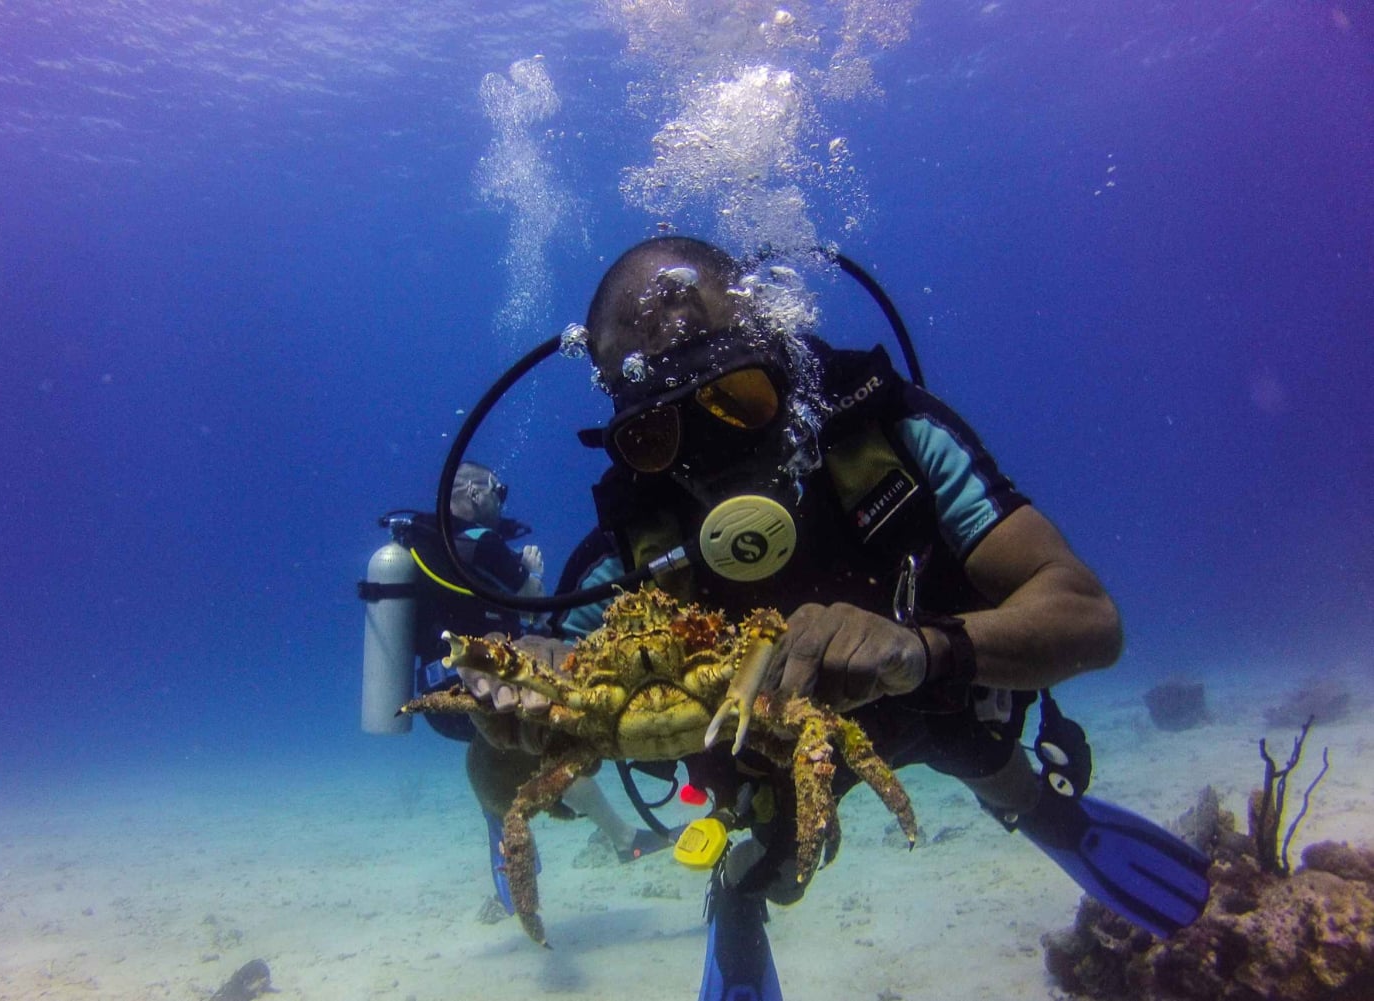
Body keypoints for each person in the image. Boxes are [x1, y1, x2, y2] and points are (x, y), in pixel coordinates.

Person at [459, 237, 1211, 997]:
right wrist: (509, 717)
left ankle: (1039, 807)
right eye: (659, 434)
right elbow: (504, 771)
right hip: (766, 761)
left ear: (777, 354)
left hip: (933, 699)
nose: (713, 452)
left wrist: (924, 648)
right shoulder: (630, 552)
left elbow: (1088, 618)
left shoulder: (893, 438)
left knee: (995, 764)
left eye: (737, 398)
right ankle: (742, 890)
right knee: (774, 862)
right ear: (627, 435)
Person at [390, 461, 674, 919]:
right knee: (550, 742)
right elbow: (531, 599)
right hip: (481, 687)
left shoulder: (425, 543)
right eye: (498, 490)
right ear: (476, 492)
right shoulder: (483, 544)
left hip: (440, 696)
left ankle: (506, 836)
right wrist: (531, 569)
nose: (501, 501)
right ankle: (623, 840)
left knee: (506, 761)